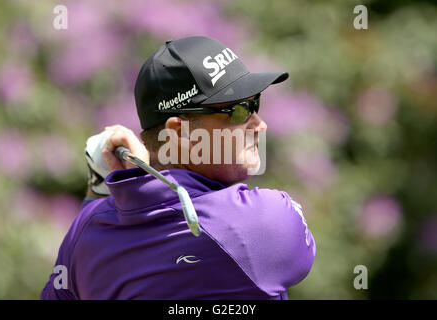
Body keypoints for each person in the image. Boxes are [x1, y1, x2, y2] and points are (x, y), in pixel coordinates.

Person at [41, 36, 316, 300]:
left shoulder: (87, 232)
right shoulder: (264, 221)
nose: (259, 125)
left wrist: (103, 187)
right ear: (181, 134)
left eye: (255, 103)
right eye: (239, 111)